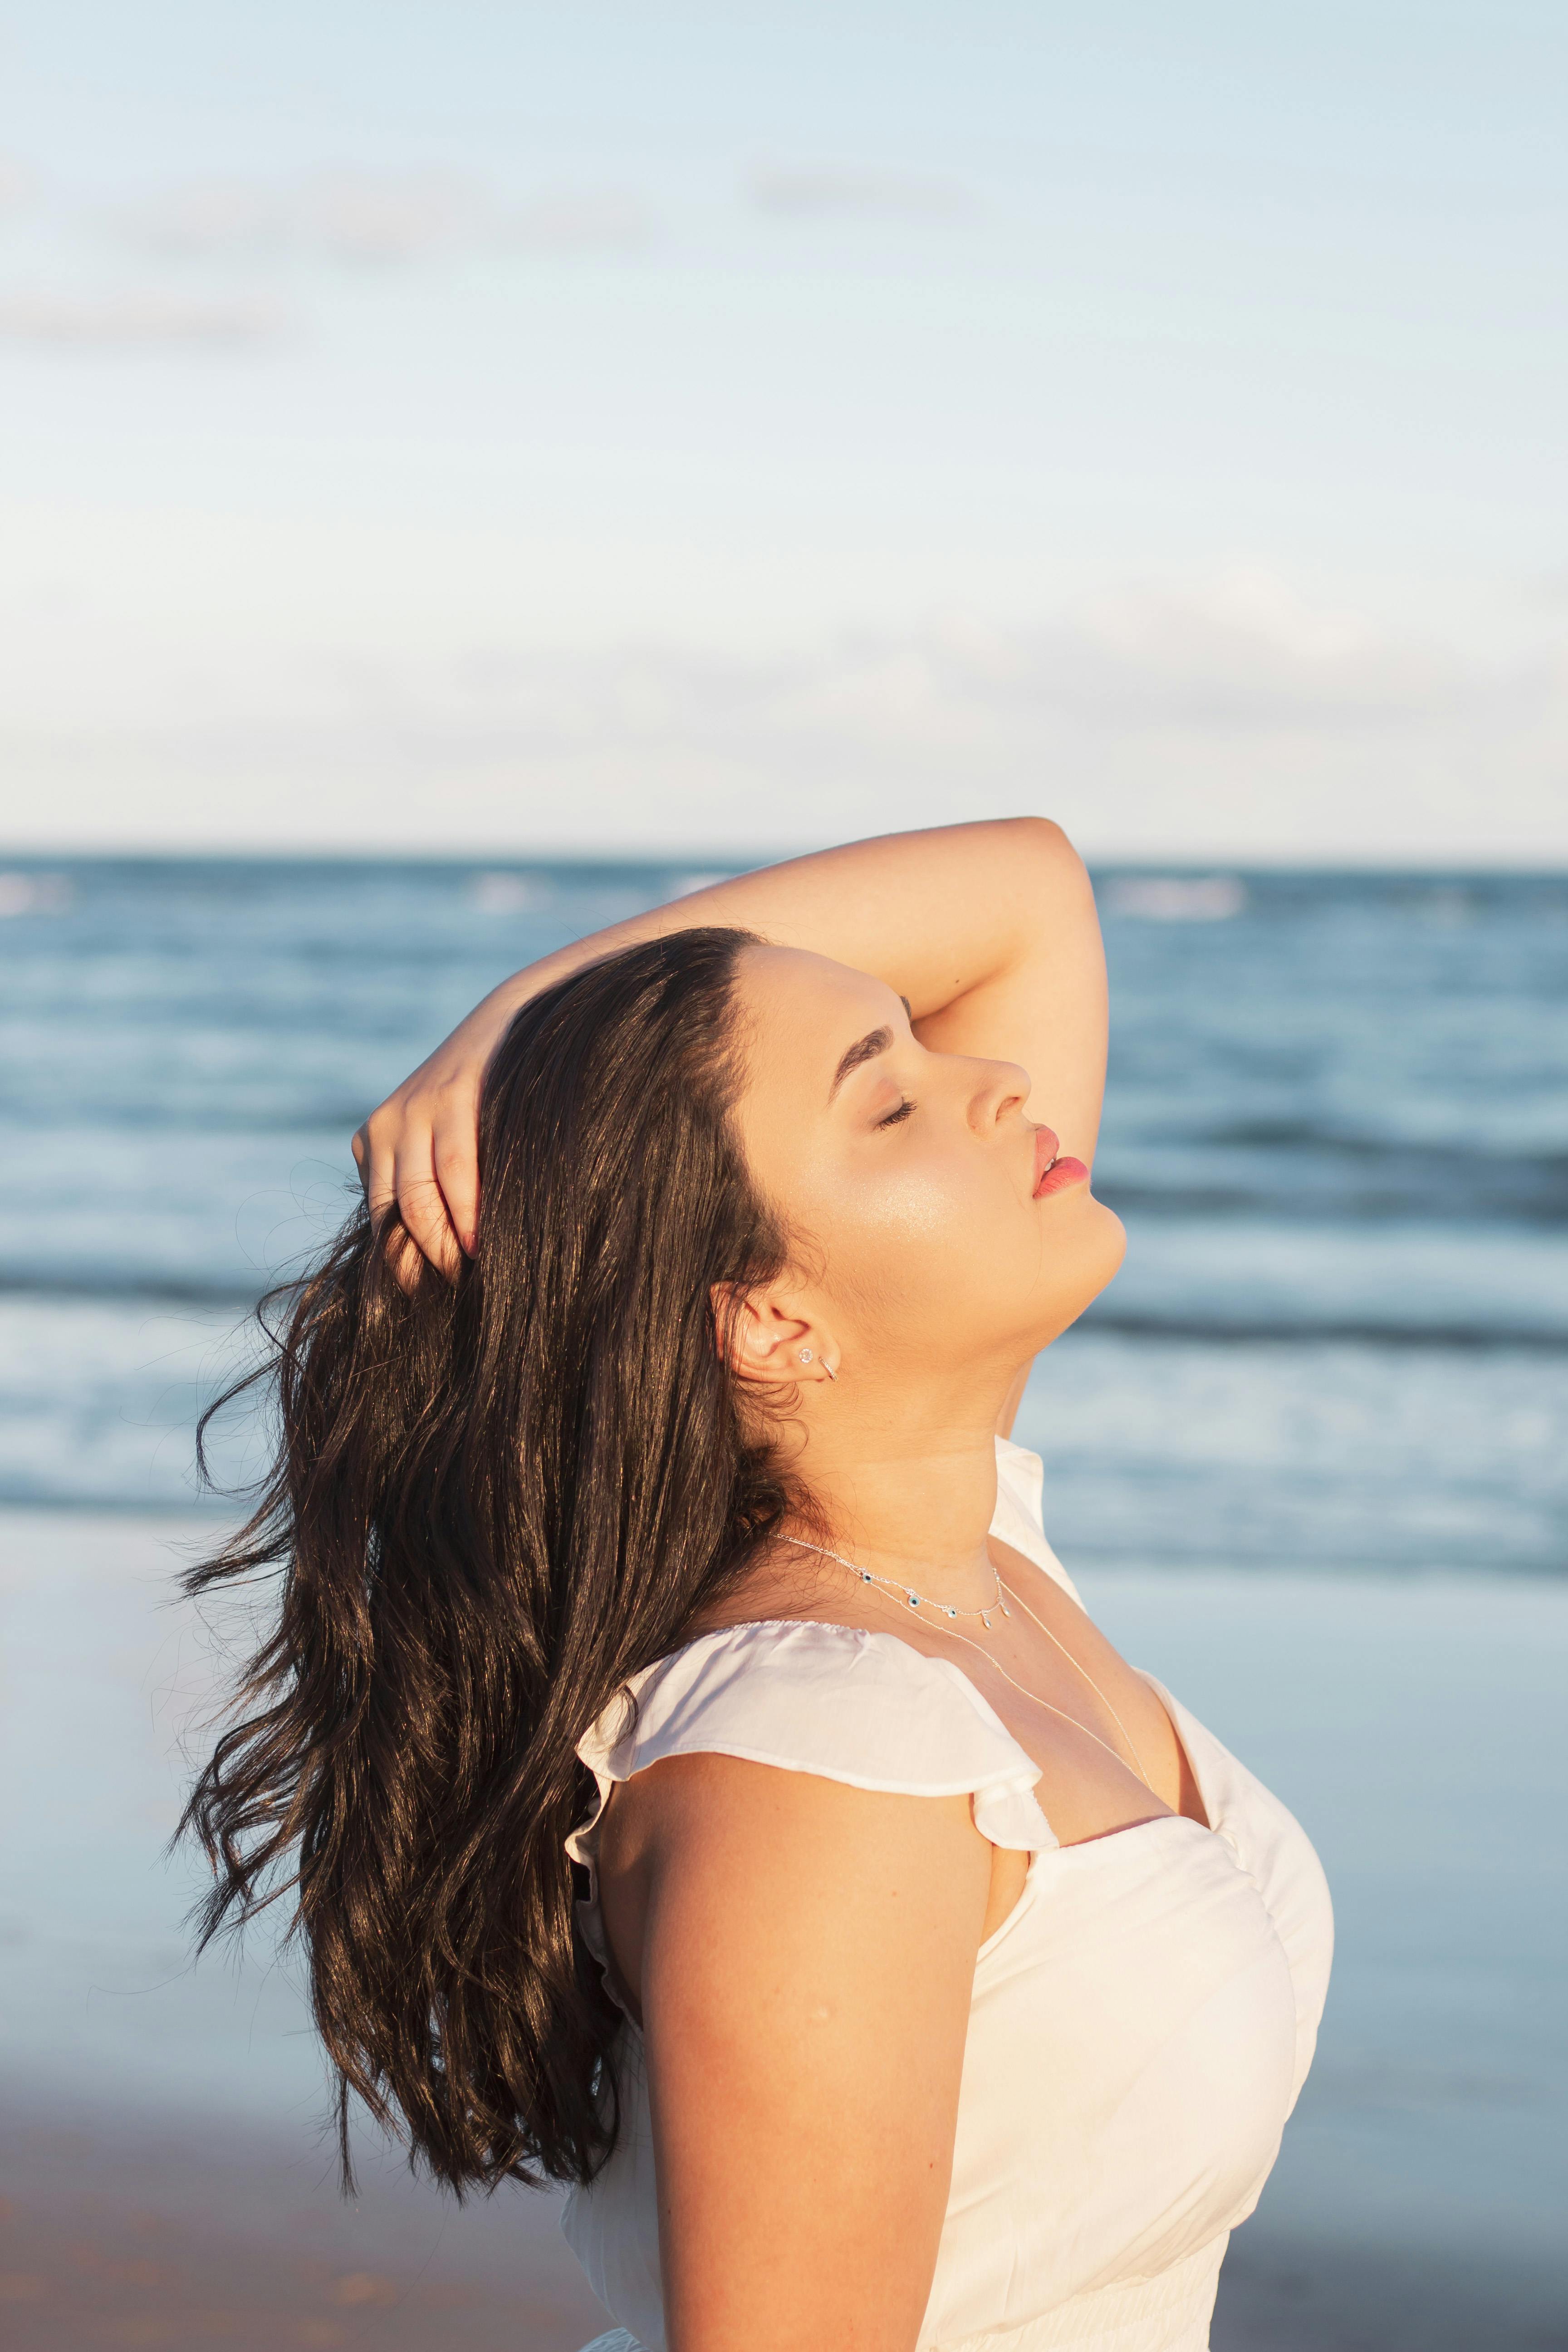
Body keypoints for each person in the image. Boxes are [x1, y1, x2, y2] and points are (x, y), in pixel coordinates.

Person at [184, 820, 1332, 2352]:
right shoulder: (821, 1758)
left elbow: (1024, 897)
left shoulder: (966, 1554)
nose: (995, 1086)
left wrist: (519, 1016)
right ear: (769, 1325)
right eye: (891, 1102)